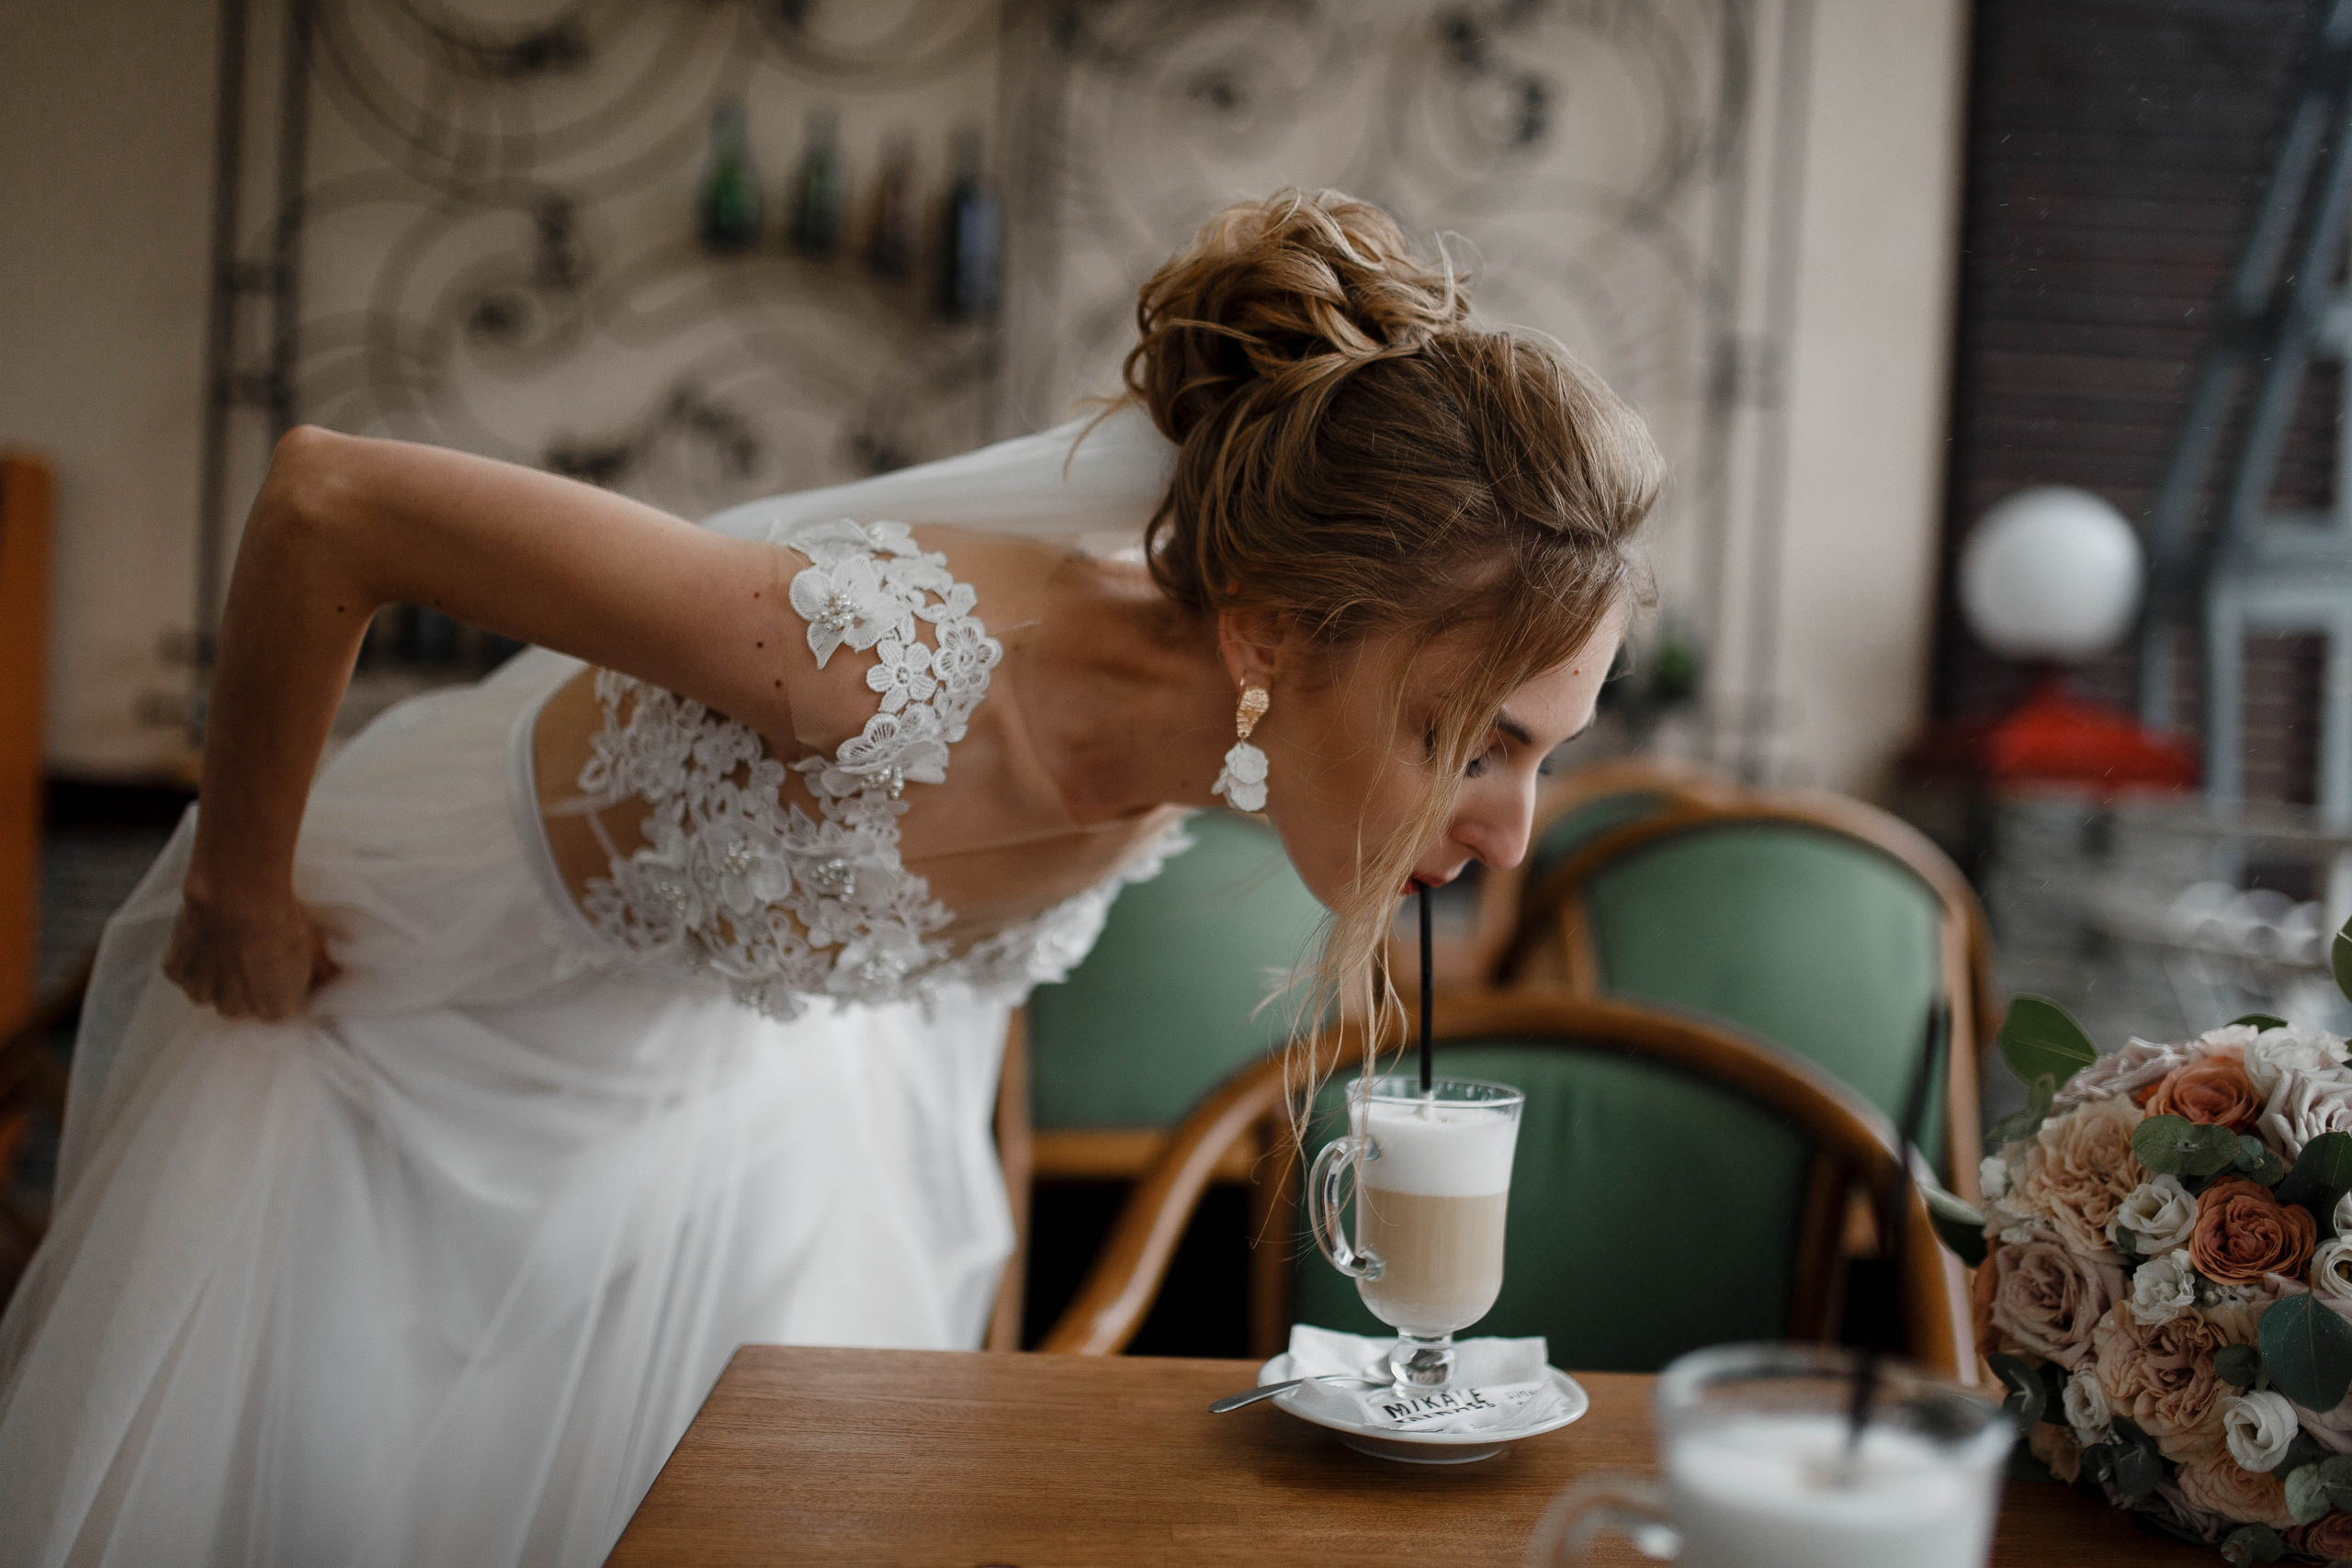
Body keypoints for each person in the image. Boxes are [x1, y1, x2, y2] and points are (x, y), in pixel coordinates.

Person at [0, 189, 1657, 1566]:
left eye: (1544, 751)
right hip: (399, 1025)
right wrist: (238, 888)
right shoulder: (877, 660)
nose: (1512, 826)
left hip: (711, 1122)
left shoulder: (1251, 740)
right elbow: (325, 503)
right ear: (1270, 637)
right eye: (1468, 739)